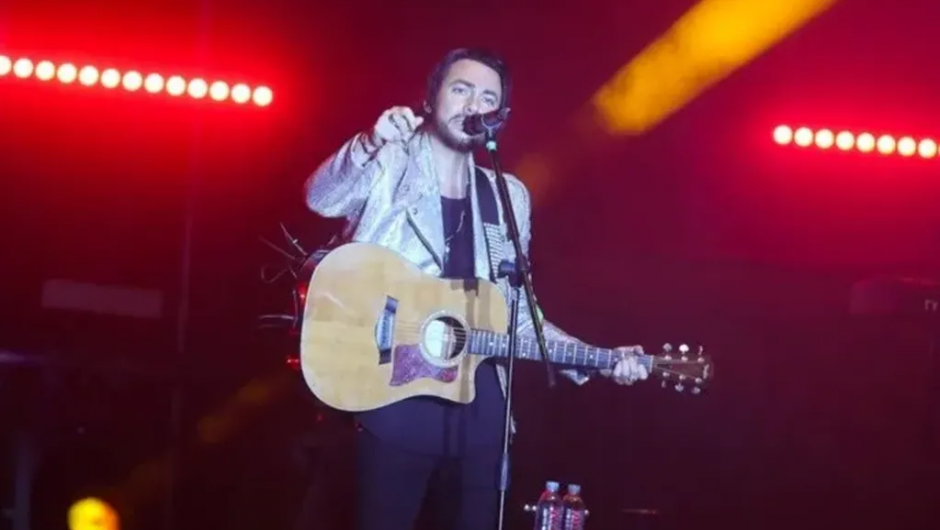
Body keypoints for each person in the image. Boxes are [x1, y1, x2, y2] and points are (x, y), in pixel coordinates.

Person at [304, 47, 649, 530]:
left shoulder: (508, 195)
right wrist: (369, 142)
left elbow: (517, 314)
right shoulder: (390, 161)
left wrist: (601, 359)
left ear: (498, 116)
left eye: (488, 98)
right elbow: (321, 199)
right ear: (431, 98)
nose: (473, 105)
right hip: (389, 392)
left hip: (478, 406)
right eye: (461, 89)